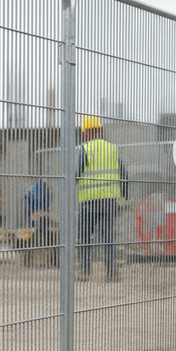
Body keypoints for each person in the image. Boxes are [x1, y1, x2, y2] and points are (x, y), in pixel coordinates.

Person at [76, 115, 127, 282]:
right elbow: (124, 175)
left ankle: (84, 272)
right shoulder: (112, 148)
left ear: (88, 132)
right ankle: (112, 274)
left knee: (84, 238)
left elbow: (75, 173)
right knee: (108, 239)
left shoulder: (84, 149)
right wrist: (125, 196)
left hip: (88, 203)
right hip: (108, 203)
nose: (82, 136)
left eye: (83, 133)